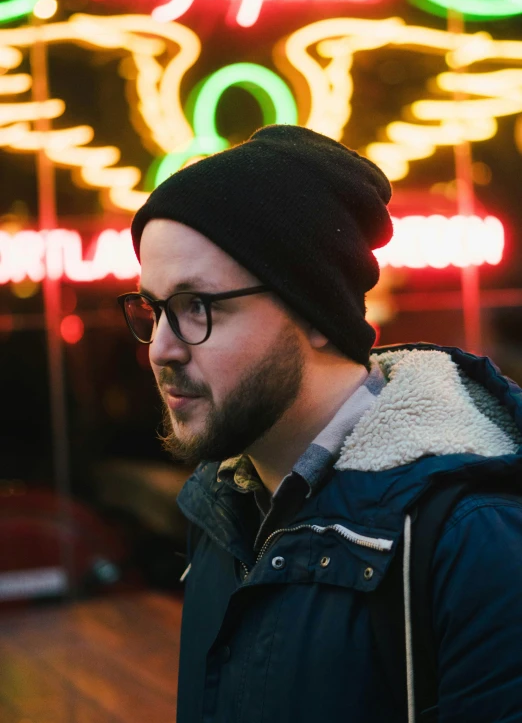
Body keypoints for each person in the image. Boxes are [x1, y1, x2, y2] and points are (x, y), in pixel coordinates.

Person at [121, 125, 522, 723]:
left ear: (312, 311)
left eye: (197, 307)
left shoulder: (471, 538)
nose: (161, 349)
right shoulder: (223, 512)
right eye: (152, 311)